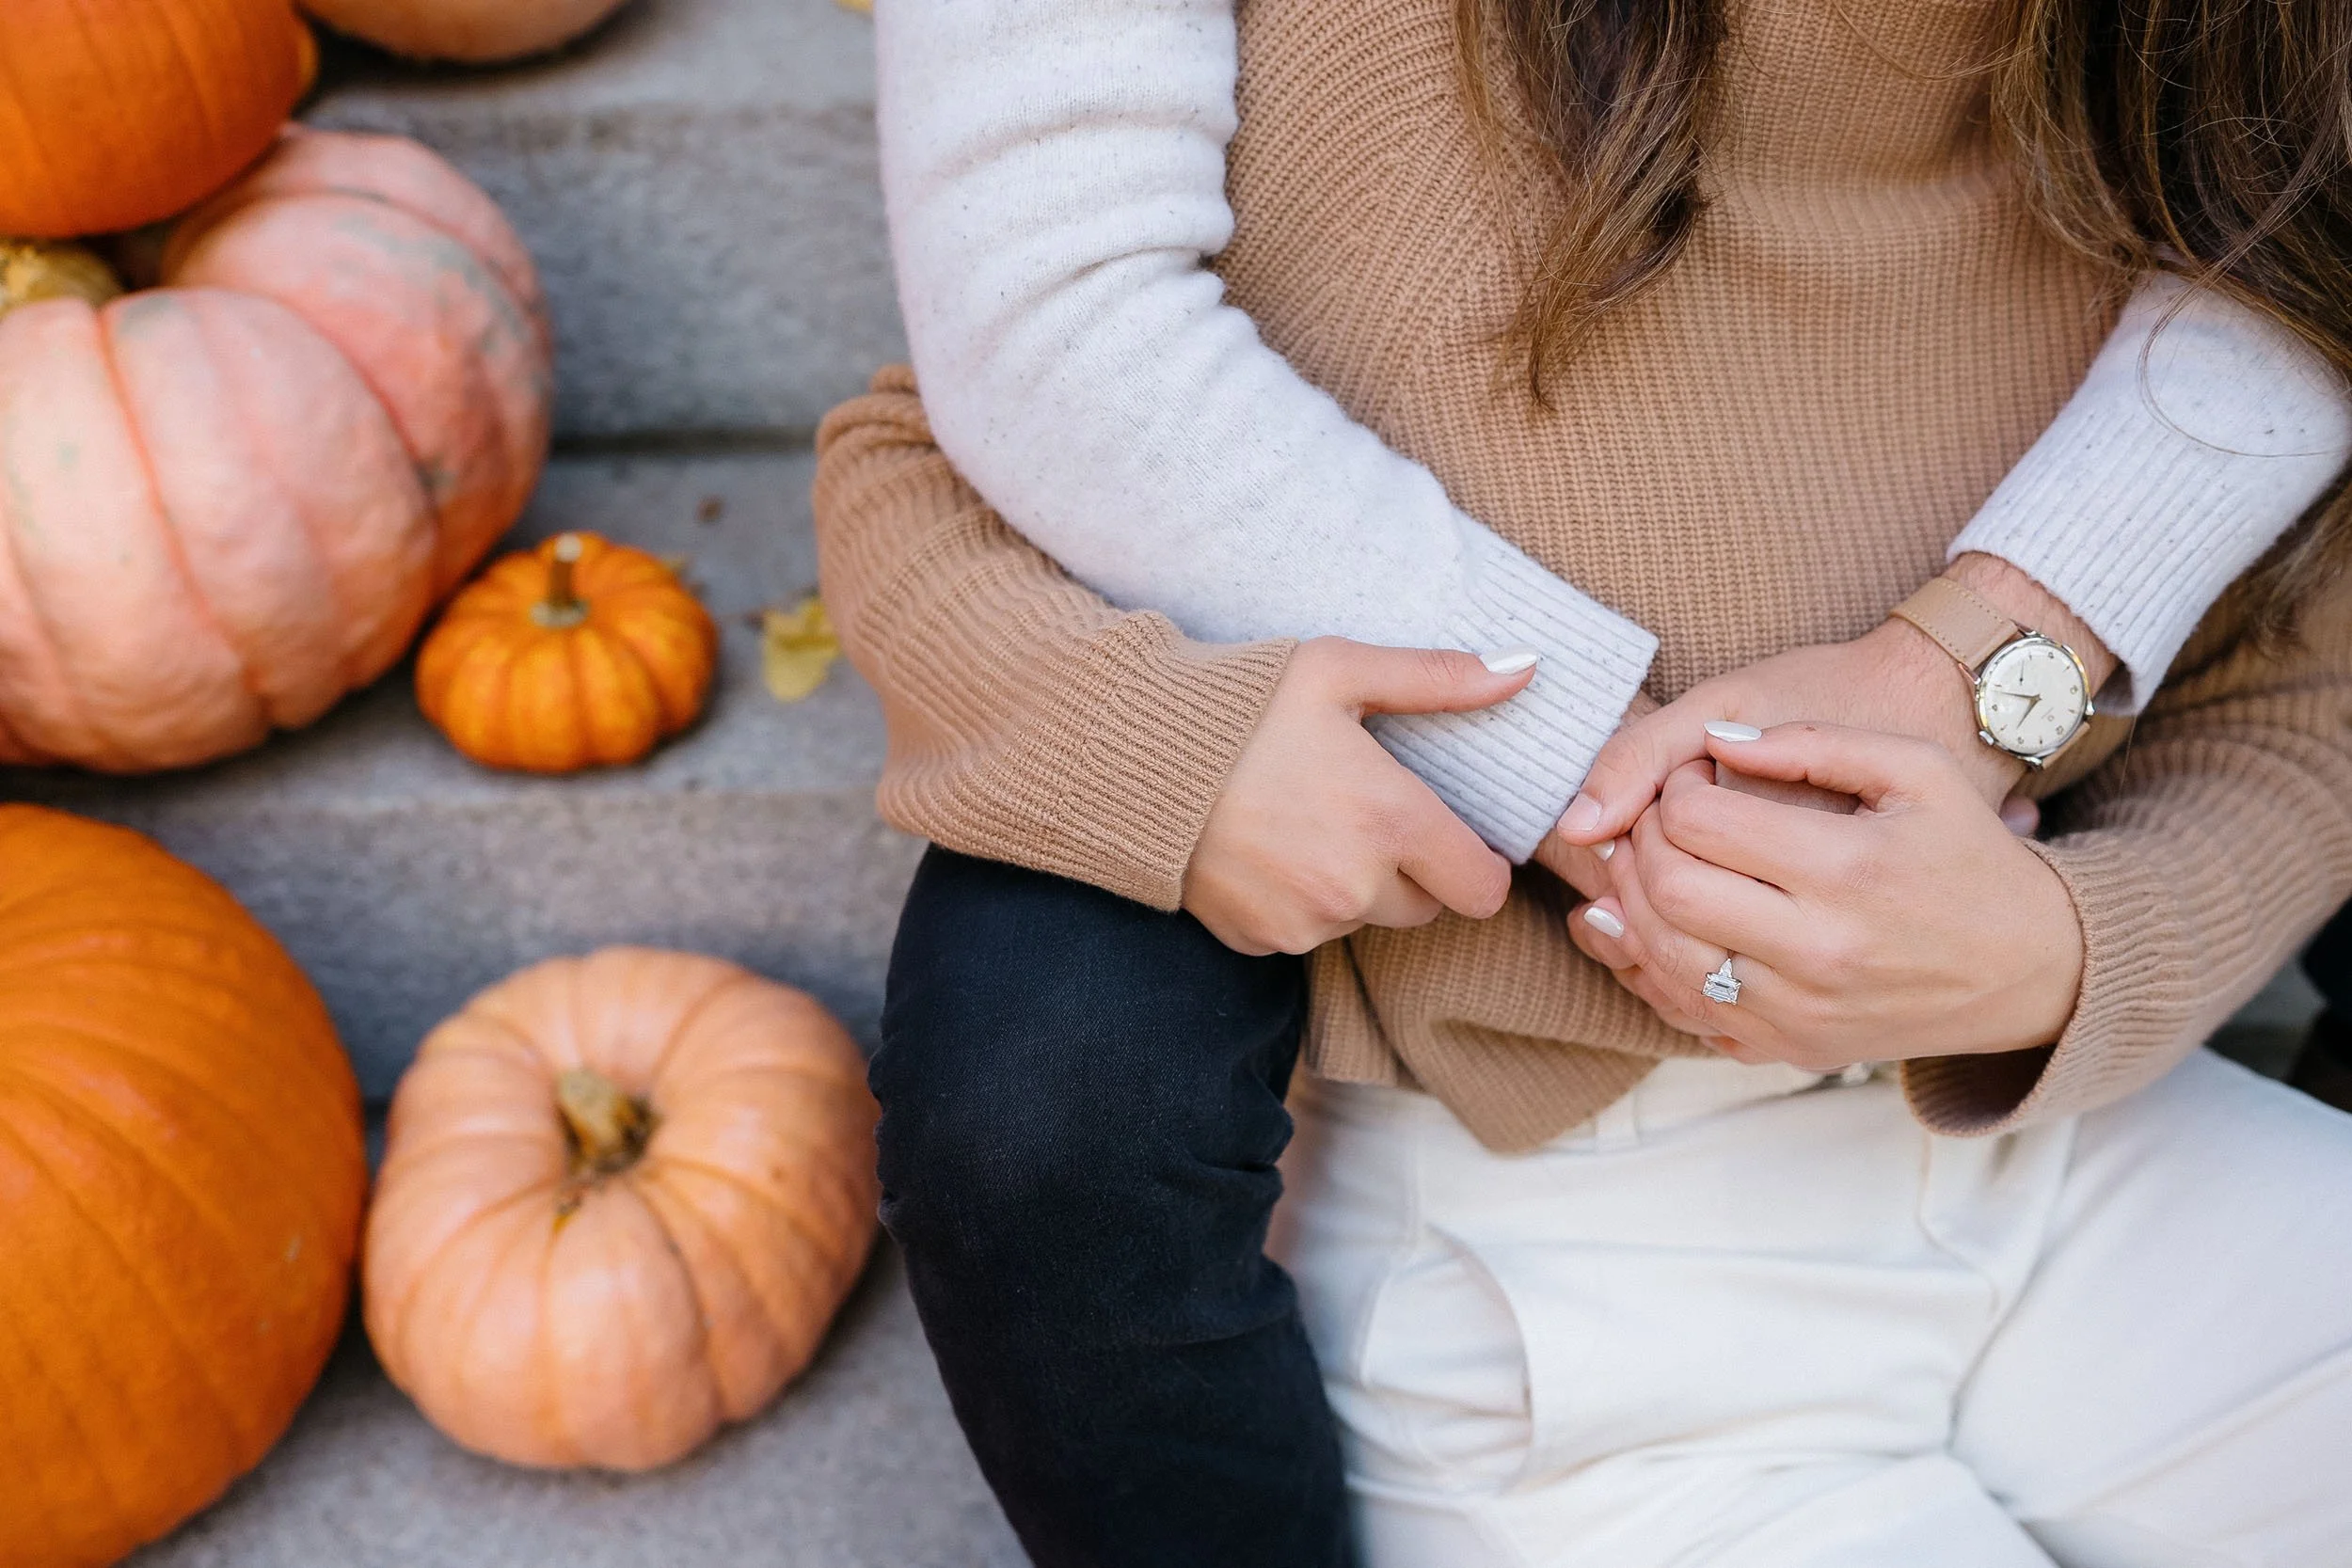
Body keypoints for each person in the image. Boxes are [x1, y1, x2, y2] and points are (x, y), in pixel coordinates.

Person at [816, 0, 2352, 1561]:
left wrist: (2076, 943)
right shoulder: (1302, 125)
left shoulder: (2227, 113)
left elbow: (2312, 689)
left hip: (2075, 1163)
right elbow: (977, 408)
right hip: (1545, 1270)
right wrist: (1571, 772)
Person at [874, 0, 2350, 874]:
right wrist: (1609, 779)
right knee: (1038, 1086)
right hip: (1410, 975)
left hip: (1979, 966)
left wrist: (1990, 660)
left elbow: (2308, 197)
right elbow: (1001, 352)